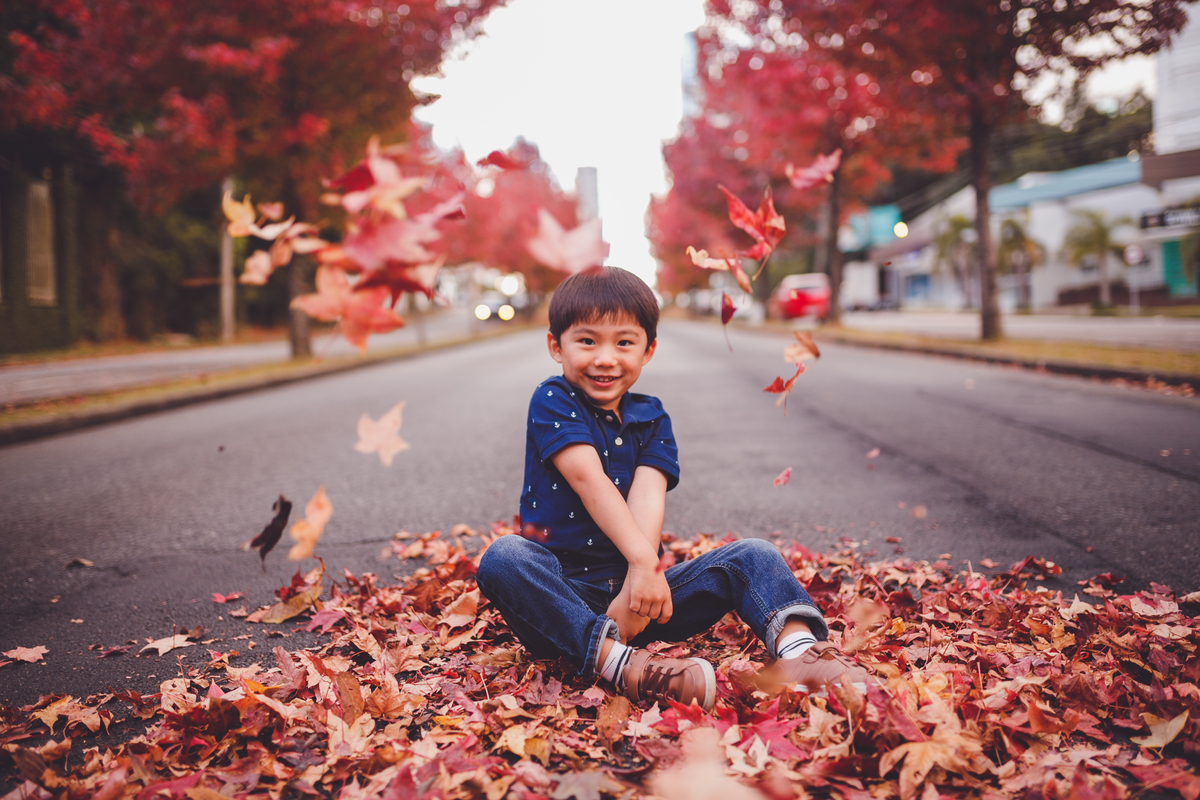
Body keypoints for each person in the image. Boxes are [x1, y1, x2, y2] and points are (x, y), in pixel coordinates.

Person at [476, 267, 873, 711]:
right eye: (587, 341)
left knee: (752, 556)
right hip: (562, 599)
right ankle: (624, 666)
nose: (606, 358)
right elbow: (589, 480)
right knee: (505, 558)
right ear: (556, 345)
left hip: (646, 595)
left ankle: (801, 653)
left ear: (649, 350)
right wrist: (644, 561)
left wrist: (640, 578)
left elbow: (648, 493)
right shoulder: (553, 400)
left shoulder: (651, 416)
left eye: (624, 342)